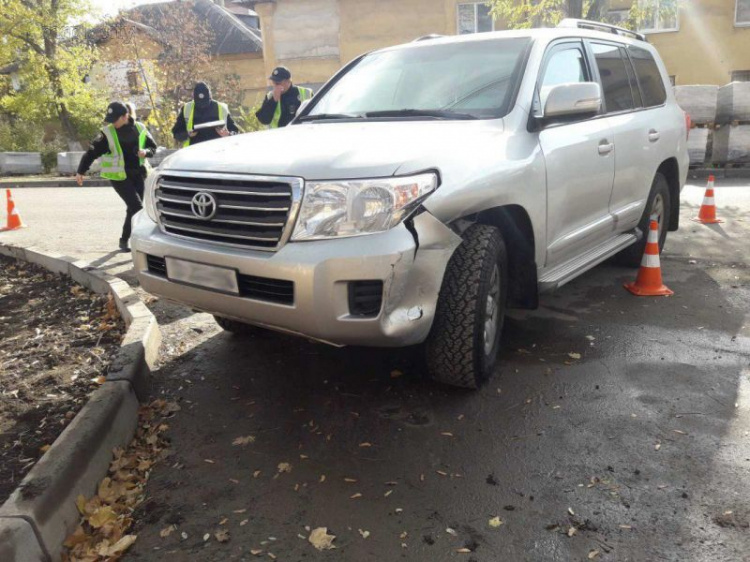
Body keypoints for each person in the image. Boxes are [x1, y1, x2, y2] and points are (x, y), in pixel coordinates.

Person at [75, 101, 157, 252]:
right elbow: (91, 153)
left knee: (132, 208)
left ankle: (124, 240)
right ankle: (145, 245)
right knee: (138, 208)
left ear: (125, 116)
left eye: (115, 119)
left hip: (138, 174)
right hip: (119, 177)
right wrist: (81, 171)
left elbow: (153, 147)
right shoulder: (107, 133)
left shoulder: (140, 128)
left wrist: (146, 152)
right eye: (110, 119)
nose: (112, 123)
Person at [172, 82, 239, 147]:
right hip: (193, 153)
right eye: (199, 103)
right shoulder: (187, 109)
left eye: (204, 103)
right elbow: (176, 133)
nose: (202, 106)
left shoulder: (222, 108)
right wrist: (187, 134)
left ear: (210, 97)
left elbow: (235, 132)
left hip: (217, 153)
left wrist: (228, 134)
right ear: (194, 99)